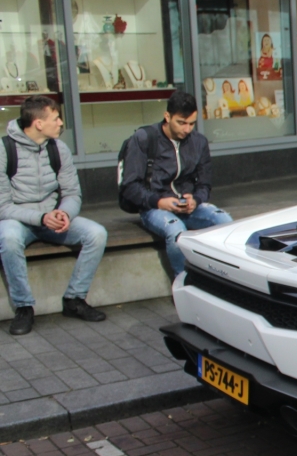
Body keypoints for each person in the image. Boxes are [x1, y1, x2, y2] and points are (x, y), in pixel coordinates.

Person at [1, 96, 108, 336]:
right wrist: (41, 218)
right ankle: (24, 307)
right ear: (38, 123)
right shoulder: (4, 150)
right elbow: (2, 206)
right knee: (7, 239)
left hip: (53, 217)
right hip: (19, 220)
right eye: (56, 118)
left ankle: (74, 299)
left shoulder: (59, 148)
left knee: (96, 233)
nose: (61, 123)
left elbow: (72, 193)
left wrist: (64, 213)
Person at [120, 91, 233, 276]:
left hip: (187, 205)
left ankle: (223, 278)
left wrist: (195, 199)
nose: (187, 129)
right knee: (176, 231)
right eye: (181, 122)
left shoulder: (199, 142)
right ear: (167, 116)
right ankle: (183, 282)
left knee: (224, 222)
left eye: (191, 123)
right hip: (153, 207)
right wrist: (158, 202)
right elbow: (130, 186)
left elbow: (205, 184)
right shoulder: (144, 138)